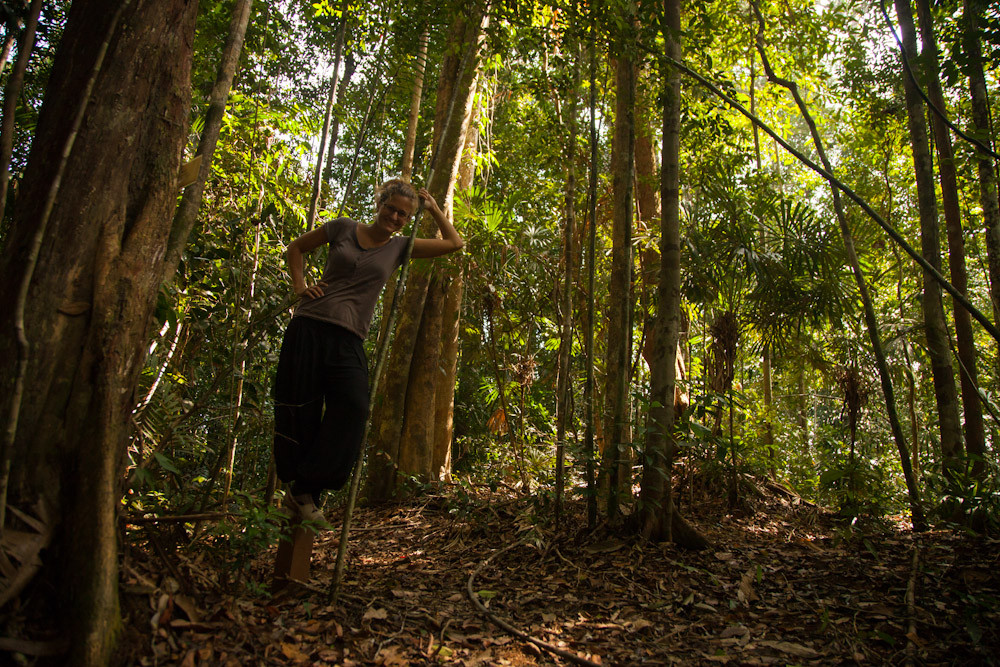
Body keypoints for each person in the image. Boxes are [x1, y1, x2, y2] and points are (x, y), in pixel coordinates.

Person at [272, 178, 463, 522]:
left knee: (354, 405)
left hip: (349, 339)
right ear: (380, 203)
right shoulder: (343, 227)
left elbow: (454, 243)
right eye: (391, 208)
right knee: (300, 406)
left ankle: (307, 485)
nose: (395, 216)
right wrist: (300, 286)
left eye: (403, 214)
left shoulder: (400, 247)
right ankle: (302, 496)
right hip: (310, 325)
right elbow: (296, 248)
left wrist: (433, 209)